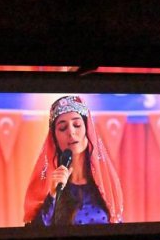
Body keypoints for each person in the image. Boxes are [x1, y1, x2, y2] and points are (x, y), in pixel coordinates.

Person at [24, 95, 124, 227]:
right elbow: (35, 231)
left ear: (88, 130)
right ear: (55, 139)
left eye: (77, 125)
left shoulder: (104, 183)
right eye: (62, 128)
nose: (71, 132)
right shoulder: (49, 185)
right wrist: (53, 195)